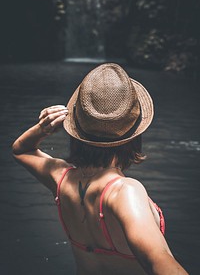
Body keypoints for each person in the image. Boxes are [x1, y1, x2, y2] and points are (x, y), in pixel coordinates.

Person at [12, 63, 188, 275]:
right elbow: (160, 263)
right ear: (134, 134)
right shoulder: (124, 192)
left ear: (75, 127)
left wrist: (43, 128)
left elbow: (21, 150)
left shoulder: (60, 178)